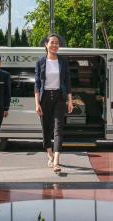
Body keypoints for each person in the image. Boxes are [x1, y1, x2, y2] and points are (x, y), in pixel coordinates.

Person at [34, 34, 73, 173]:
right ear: (46, 44)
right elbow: (37, 84)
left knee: (58, 128)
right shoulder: (40, 62)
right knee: (46, 128)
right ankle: (49, 154)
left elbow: (67, 82)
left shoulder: (63, 61)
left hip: (59, 97)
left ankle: (56, 160)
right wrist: (37, 103)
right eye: (52, 43)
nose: (55, 45)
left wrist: (70, 101)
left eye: (57, 43)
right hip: (44, 98)